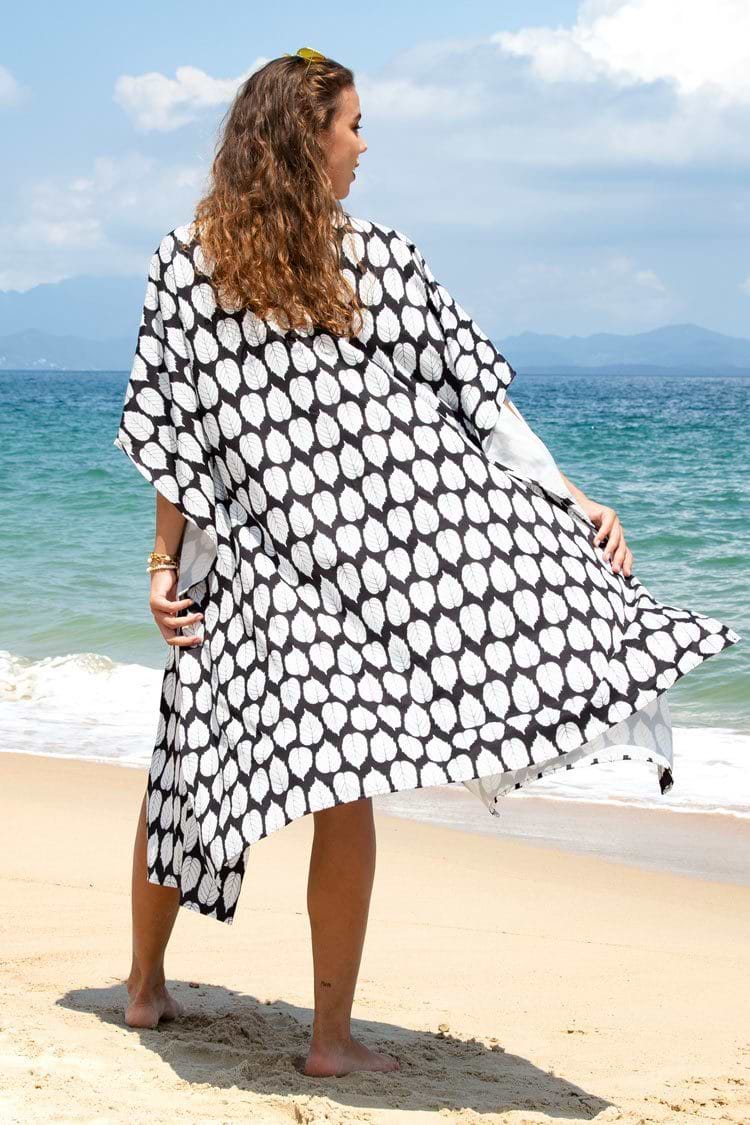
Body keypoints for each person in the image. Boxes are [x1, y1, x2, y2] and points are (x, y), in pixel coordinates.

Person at [115, 49, 740, 1078]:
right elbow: (479, 403)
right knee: (343, 780)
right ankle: (327, 1041)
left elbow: (174, 437)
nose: (365, 146)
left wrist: (162, 563)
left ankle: (145, 989)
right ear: (306, 137)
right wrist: (568, 490)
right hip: (337, 570)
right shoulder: (361, 262)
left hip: (254, 572)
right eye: (354, 125)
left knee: (187, 762)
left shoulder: (194, 262)